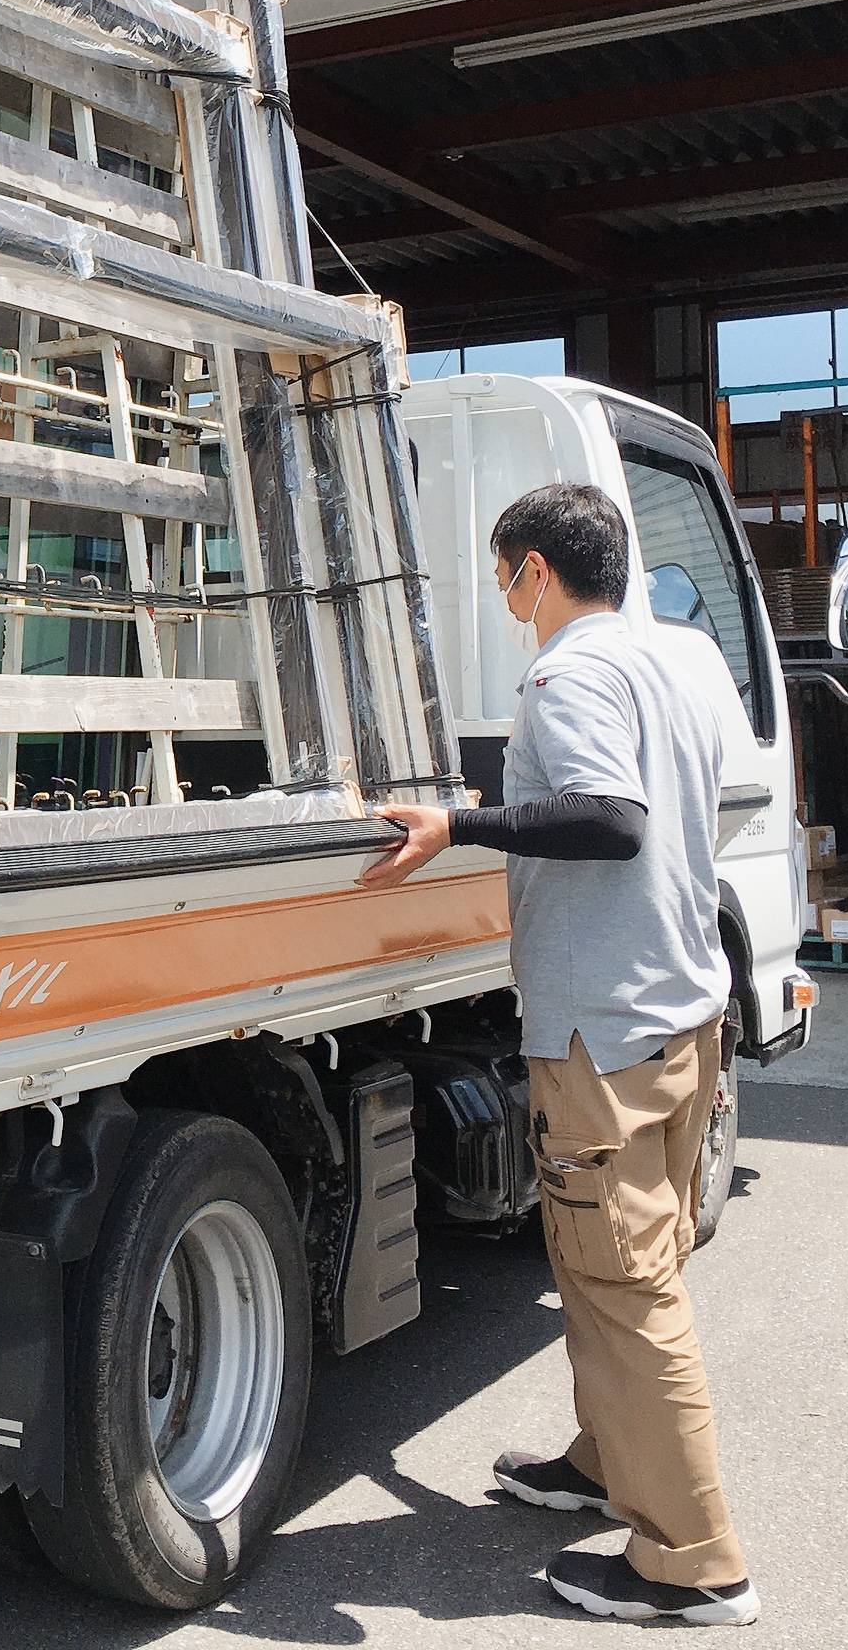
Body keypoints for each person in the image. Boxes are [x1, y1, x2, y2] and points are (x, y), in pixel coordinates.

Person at [360, 481, 758, 1628]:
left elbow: (611, 818)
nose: (503, 599)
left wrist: (460, 824)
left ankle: (695, 1562)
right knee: (606, 1262)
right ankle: (604, 1462)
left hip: (605, 1027)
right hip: (683, 1012)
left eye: (502, 576)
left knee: (625, 1283)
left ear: (537, 571)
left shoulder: (566, 672)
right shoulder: (677, 656)